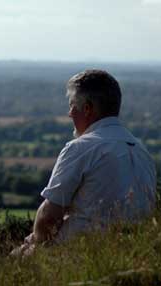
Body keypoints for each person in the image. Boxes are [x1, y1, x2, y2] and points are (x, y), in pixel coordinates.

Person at [12, 69, 157, 256]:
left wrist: (33, 247)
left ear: (87, 109)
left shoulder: (81, 148)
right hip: (135, 253)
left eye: (72, 105)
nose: (69, 113)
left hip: (76, 254)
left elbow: (49, 217)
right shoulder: (142, 151)